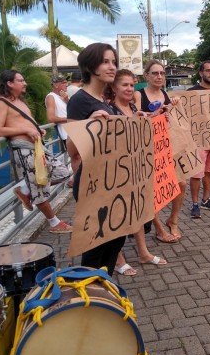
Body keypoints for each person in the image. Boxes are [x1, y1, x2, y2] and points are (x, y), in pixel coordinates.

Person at [65, 43, 124, 275]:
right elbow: (72, 150)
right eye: (106, 62)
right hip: (94, 184)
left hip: (111, 181)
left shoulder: (102, 101)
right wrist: (88, 124)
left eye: (114, 62)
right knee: (95, 247)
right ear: (91, 66)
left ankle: (103, 290)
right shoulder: (80, 101)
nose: (112, 67)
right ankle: (88, 296)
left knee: (115, 241)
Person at [0, 69, 72, 233]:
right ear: (9, 83)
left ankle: (26, 190)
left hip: (36, 147)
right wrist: (26, 130)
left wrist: (36, 129)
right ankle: (54, 223)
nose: (25, 83)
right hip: (23, 149)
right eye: (20, 80)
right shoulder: (0, 103)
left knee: (63, 172)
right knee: (39, 188)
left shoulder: (19, 101)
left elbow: (23, 121)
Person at [109, 69, 167, 275]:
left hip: (137, 167)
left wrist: (151, 116)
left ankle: (143, 253)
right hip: (118, 171)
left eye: (131, 85)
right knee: (119, 214)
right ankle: (118, 259)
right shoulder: (110, 110)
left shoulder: (132, 107)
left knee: (137, 210)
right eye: (124, 85)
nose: (128, 89)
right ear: (114, 87)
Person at [134, 59, 186, 242]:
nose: (159, 76)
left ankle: (173, 219)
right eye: (155, 73)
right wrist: (153, 115)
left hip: (167, 149)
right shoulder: (139, 95)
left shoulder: (165, 94)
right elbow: (134, 120)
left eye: (162, 73)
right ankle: (158, 229)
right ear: (146, 75)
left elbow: (172, 121)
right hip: (148, 151)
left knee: (181, 184)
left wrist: (174, 106)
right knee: (154, 190)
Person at [188, 61, 210, 219]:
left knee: (209, 171)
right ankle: (194, 203)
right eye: (208, 71)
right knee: (196, 173)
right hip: (198, 141)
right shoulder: (191, 92)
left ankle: (206, 199)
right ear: (201, 73)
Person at [45, 75, 69, 146]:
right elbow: (51, 118)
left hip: (74, 132)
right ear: (56, 85)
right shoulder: (51, 97)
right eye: (63, 83)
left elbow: (75, 111)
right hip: (67, 135)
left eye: (66, 83)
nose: (66, 85)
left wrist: (67, 99)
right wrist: (70, 119)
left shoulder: (65, 96)